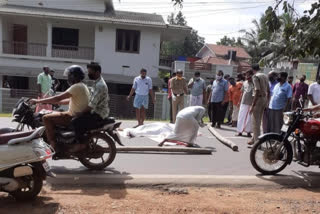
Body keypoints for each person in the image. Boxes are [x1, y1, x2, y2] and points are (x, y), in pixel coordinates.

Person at [30, 65, 90, 151]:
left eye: (69, 75)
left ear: (74, 76)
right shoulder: (83, 86)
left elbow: (58, 98)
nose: (68, 78)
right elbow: (68, 100)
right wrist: (51, 102)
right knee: (52, 113)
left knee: (46, 118)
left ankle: (53, 144)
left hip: (72, 116)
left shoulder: (76, 87)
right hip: (77, 115)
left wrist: (38, 101)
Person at [71, 62, 110, 143]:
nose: (88, 74)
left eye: (90, 72)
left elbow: (91, 105)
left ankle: (80, 145)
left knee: (75, 122)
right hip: (97, 112)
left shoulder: (100, 85)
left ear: (97, 72)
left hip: (98, 114)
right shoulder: (96, 83)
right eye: (88, 72)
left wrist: (80, 113)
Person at [248, 64, 270, 145]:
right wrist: (267, 101)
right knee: (259, 120)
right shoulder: (265, 76)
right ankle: (253, 139)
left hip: (258, 99)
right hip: (264, 99)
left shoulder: (255, 76)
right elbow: (269, 90)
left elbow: (257, 90)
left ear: (252, 69)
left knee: (255, 122)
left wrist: (253, 105)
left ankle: (257, 144)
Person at [236, 70, 254, 137]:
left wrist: (253, 104)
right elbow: (242, 93)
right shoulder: (244, 83)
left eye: (249, 75)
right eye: (246, 75)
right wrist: (239, 102)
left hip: (250, 103)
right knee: (241, 117)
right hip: (243, 102)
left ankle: (248, 132)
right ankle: (239, 131)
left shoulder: (255, 83)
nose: (247, 76)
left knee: (249, 118)